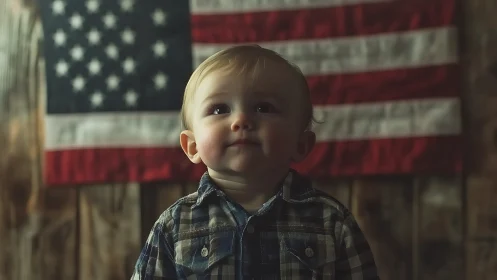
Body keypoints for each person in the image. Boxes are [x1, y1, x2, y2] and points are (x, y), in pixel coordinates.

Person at [131, 45, 379, 279]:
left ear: (300, 145)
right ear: (192, 146)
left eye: (263, 107)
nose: (241, 120)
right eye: (219, 109)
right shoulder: (174, 226)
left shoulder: (331, 221)